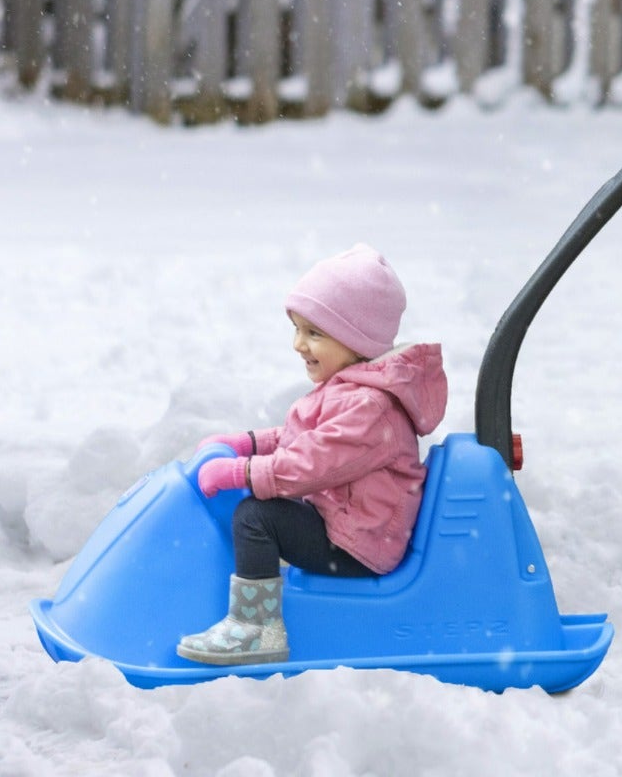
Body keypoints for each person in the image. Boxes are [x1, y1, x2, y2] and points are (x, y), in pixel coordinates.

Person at [177, 244, 448, 666]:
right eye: (297, 329)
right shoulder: (353, 390)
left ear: (357, 339)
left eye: (314, 333)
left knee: (257, 517)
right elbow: (301, 437)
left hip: (358, 546)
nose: (298, 345)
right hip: (346, 525)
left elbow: (311, 463)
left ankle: (255, 627)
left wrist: (241, 472)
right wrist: (247, 443)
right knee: (262, 509)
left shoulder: (370, 408)